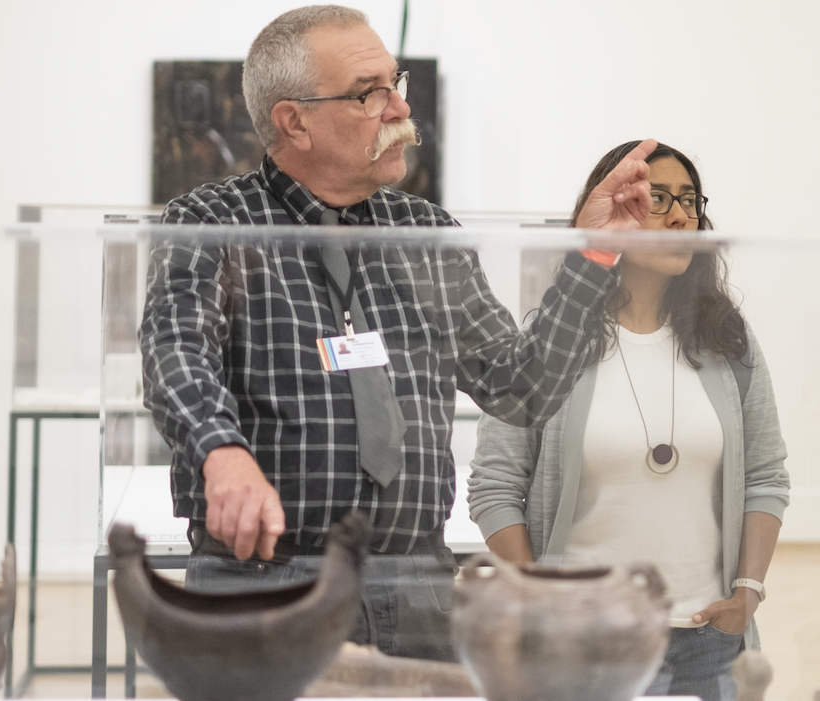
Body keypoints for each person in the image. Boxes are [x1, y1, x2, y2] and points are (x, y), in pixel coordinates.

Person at [140, 5, 655, 661]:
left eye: (396, 84)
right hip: (265, 585)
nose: (397, 110)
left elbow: (518, 387)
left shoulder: (425, 233)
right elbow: (173, 353)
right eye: (367, 93)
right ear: (293, 121)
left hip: (417, 587)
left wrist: (593, 256)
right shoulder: (211, 222)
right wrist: (222, 453)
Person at [468, 141, 790, 701]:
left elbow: (766, 476)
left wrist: (749, 591)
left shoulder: (729, 342)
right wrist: (541, 600)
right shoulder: (553, 338)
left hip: (708, 640)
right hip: (582, 642)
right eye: (657, 198)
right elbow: (495, 488)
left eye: (689, 200)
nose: (680, 216)